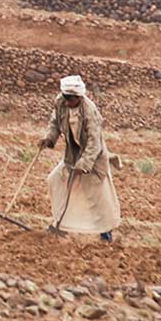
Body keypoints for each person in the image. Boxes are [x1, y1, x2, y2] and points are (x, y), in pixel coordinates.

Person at [38, 75, 121, 242]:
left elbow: (94, 142)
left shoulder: (89, 111)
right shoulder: (61, 102)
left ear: (78, 97)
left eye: (70, 99)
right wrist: (49, 138)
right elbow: (54, 122)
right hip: (72, 154)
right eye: (65, 98)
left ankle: (106, 233)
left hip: (93, 158)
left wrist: (83, 164)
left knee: (97, 196)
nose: (67, 102)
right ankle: (60, 225)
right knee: (55, 181)